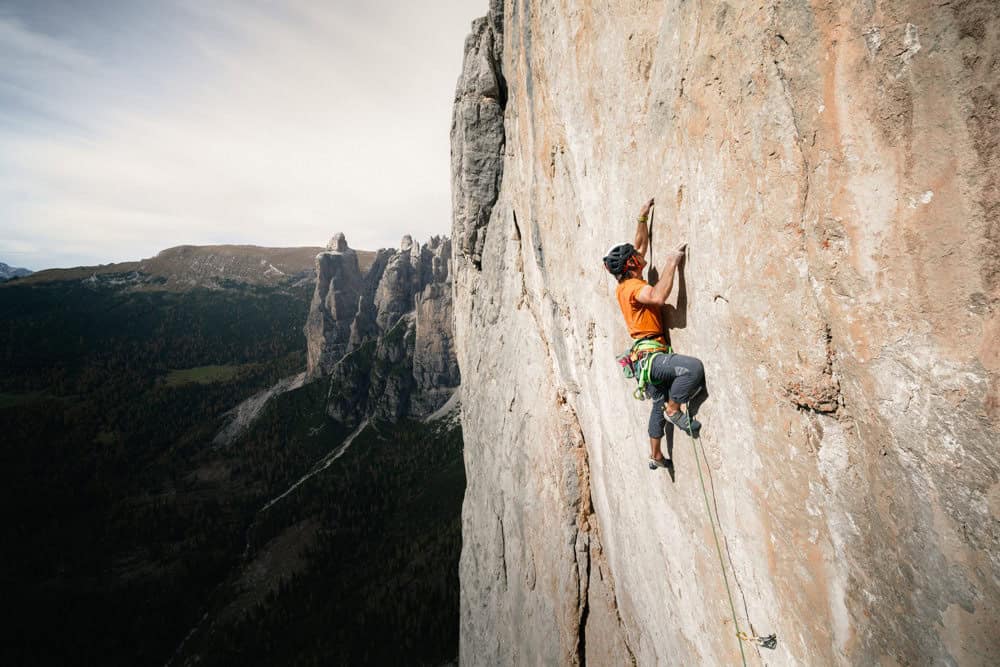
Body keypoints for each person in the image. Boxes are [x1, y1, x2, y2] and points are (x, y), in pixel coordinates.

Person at [603, 198, 706, 470]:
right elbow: (659, 297)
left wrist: (642, 217)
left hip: (641, 361)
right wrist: (673, 263)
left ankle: (656, 455)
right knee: (692, 369)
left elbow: (639, 244)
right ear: (631, 265)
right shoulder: (635, 288)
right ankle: (675, 410)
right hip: (652, 358)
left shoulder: (625, 282)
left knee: (656, 403)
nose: (641, 254)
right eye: (635, 256)